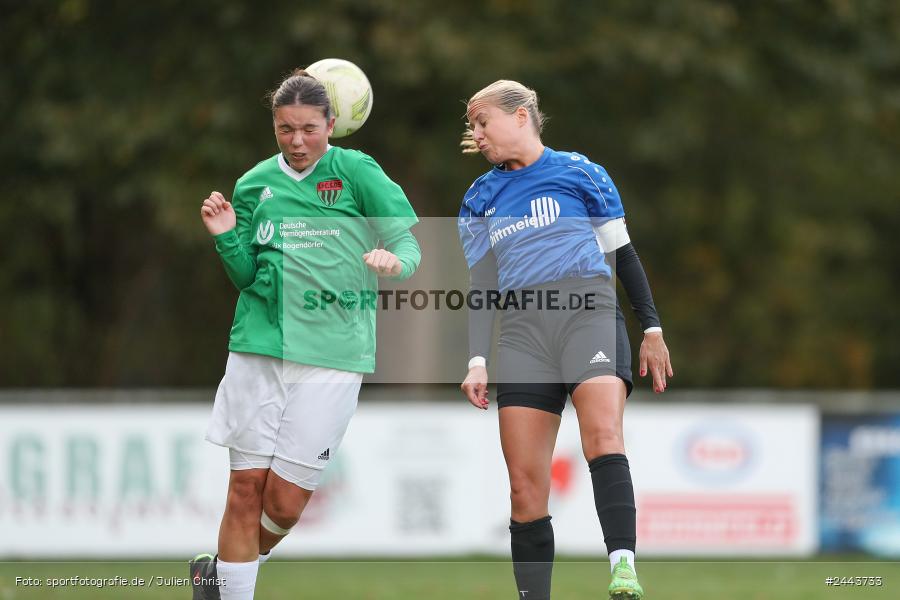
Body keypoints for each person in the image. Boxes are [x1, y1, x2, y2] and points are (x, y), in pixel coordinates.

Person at [190, 68, 420, 600]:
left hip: (334, 354)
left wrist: (394, 262)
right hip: (258, 347)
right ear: (274, 125)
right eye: (285, 128)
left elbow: (409, 244)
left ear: (331, 124)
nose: (297, 141)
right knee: (244, 490)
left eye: (309, 129)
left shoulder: (357, 171)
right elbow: (247, 275)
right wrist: (226, 238)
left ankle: (222, 574)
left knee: (285, 505)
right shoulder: (253, 185)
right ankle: (229, 591)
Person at [458, 80, 672, 600]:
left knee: (602, 436)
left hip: (588, 313)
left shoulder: (580, 172)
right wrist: (478, 359)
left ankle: (623, 569)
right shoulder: (479, 197)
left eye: (483, 121)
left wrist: (651, 328)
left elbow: (623, 254)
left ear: (522, 115)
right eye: (472, 126)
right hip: (523, 333)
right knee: (525, 488)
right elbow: (483, 285)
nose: (476, 134)